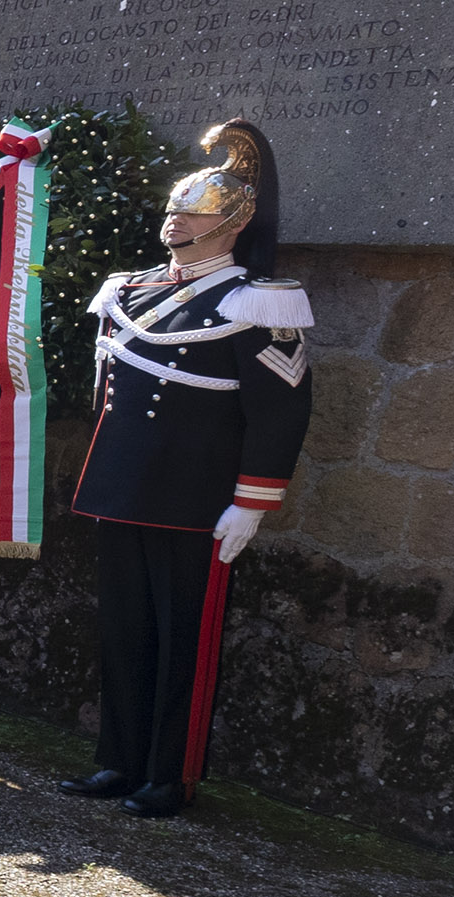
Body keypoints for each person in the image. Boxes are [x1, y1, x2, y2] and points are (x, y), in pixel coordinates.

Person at [60, 121, 312, 821]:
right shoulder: (130, 290)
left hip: (195, 498)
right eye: (174, 208)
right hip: (122, 486)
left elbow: (279, 412)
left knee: (182, 643)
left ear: (231, 223)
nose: (175, 219)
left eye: (192, 210)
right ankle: (117, 760)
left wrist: (252, 501)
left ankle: (169, 776)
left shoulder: (257, 302)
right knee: (123, 632)